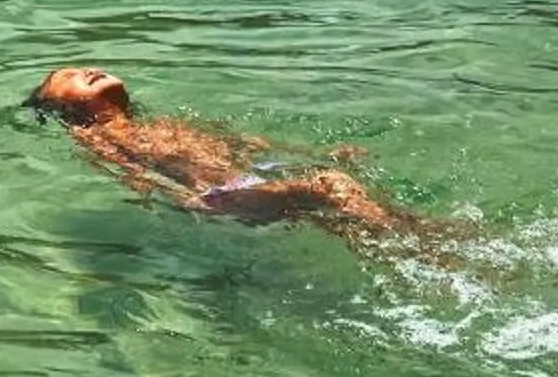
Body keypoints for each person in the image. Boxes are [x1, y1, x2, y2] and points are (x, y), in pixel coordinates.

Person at [27, 67, 420, 246]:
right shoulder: (95, 134)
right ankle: (419, 240)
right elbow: (132, 176)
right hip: (220, 195)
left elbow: (248, 147)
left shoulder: (161, 124)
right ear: (64, 108)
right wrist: (182, 201)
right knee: (333, 188)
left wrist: (317, 153)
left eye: (88, 65)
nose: (90, 69)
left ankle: (412, 248)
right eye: (70, 76)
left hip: (248, 179)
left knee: (343, 214)